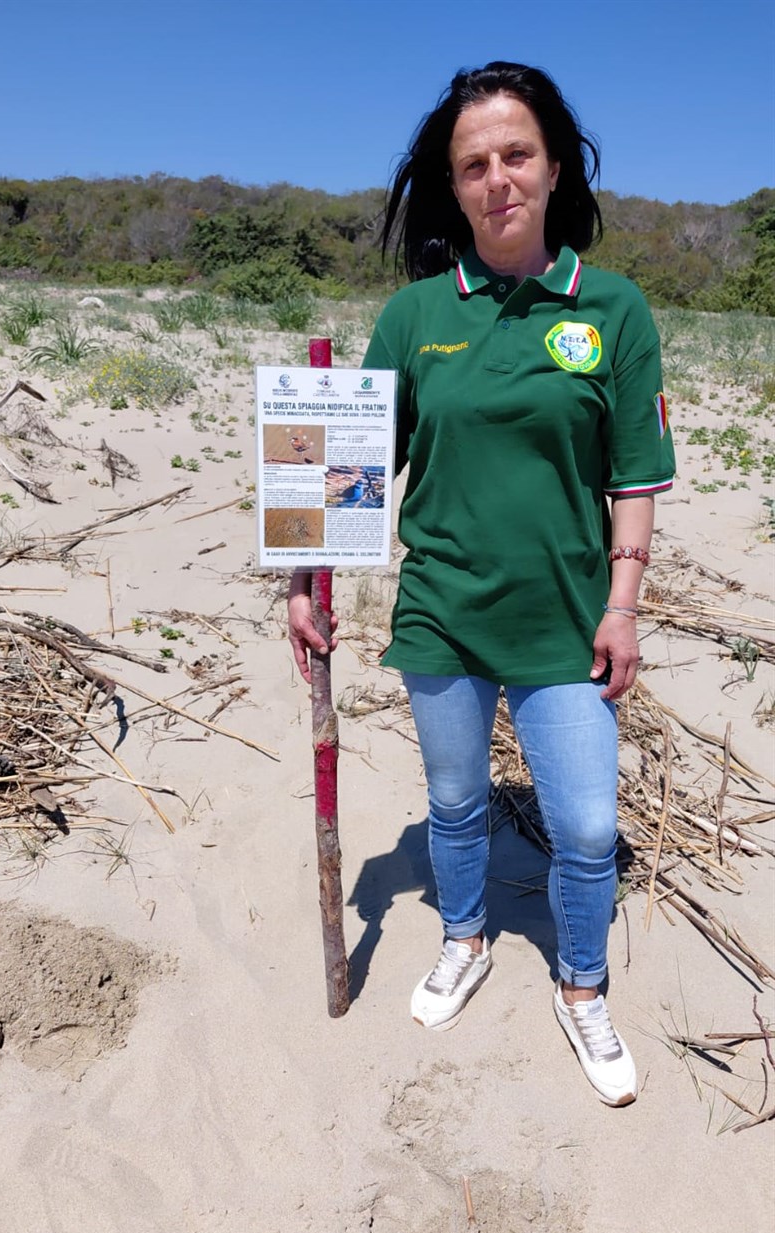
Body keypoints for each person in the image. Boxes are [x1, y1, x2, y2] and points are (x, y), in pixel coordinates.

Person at [288, 61, 675, 1106]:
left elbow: (635, 475)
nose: (497, 178)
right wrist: (301, 582)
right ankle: (463, 936)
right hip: (444, 613)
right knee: (456, 802)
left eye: (516, 154)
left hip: (567, 620)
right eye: (473, 164)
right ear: (453, 186)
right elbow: (355, 470)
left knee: (585, 828)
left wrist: (623, 606)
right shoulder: (415, 315)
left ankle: (581, 984)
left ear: (554, 168)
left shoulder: (612, 309)